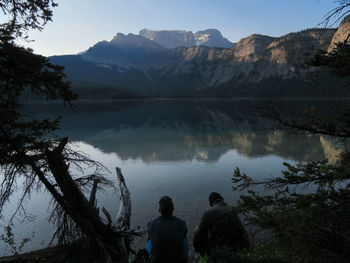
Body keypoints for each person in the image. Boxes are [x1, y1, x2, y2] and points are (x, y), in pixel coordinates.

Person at [193, 192, 250, 257]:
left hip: (220, 250)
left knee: (197, 230)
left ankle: (204, 257)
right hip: (237, 249)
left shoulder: (209, 213)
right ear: (222, 199)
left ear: (211, 203)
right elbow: (243, 232)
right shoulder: (232, 211)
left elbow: (199, 235)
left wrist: (199, 250)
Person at [147, 196, 188, 263]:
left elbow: (150, 244)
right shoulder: (181, 223)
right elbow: (184, 246)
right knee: (184, 238)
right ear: (173, 209)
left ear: (159, 210)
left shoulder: (151, 224)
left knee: (150, 238)